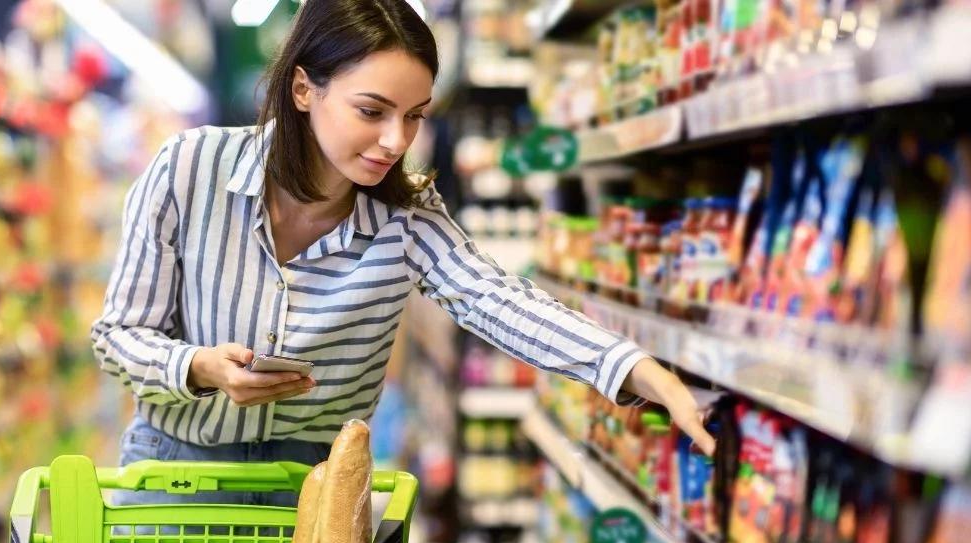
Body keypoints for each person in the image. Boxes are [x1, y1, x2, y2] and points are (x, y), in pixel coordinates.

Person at [92, 0, 716, 508]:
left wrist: (635, 368)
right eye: (372, 111)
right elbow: (118, 336)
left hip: (317, 497)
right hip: (174, 481)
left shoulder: (407, 215)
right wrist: (201, 368)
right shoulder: (189, 168)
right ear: (304, 89)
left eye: (414, 117)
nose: (396, 141)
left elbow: (496, 298)